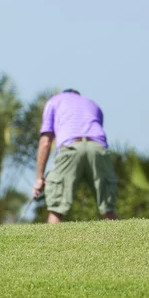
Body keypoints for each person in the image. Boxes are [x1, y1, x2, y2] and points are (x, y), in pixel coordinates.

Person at [32, 89, 118, 223]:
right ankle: (117, 242)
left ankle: (51, 243)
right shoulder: (93, 104)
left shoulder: (54, 101)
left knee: (56, 208)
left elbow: (46, 142)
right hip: (97, 148)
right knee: (107, 208)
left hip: (71, 147)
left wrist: (39, 178)